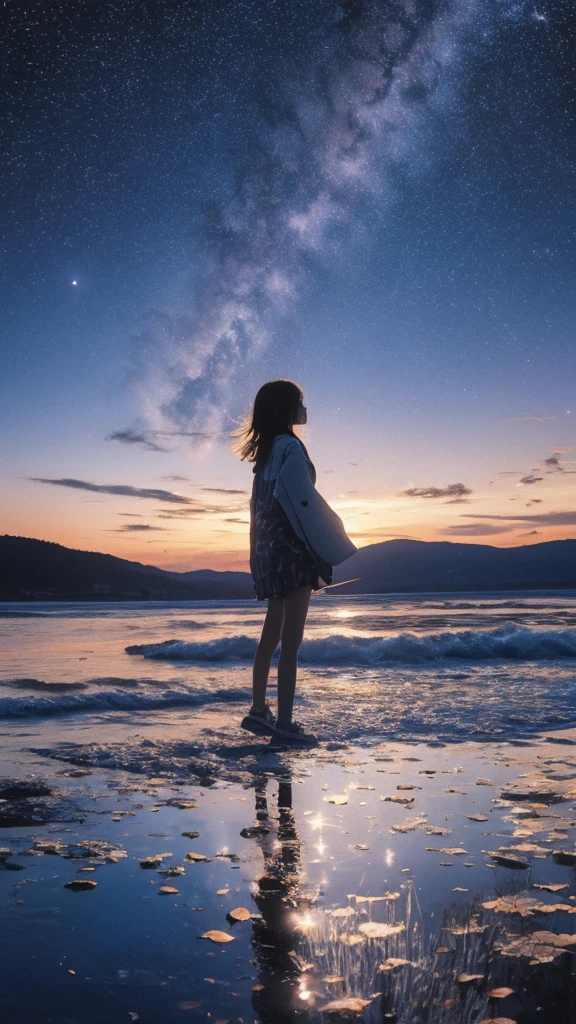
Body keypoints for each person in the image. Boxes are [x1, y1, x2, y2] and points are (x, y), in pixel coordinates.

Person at [231, 379, 356, 746]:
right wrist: (326, 543)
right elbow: (305, 503)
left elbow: (258, 511)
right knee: (292, 641)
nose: (305, 409)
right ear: (285, 409)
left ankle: (258, 711)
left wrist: (257, 558)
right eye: (300, 402)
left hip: (270, 553)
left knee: (271, 635)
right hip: (293, 553)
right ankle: (284, 724)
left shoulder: (267, 453)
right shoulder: (290, 448)